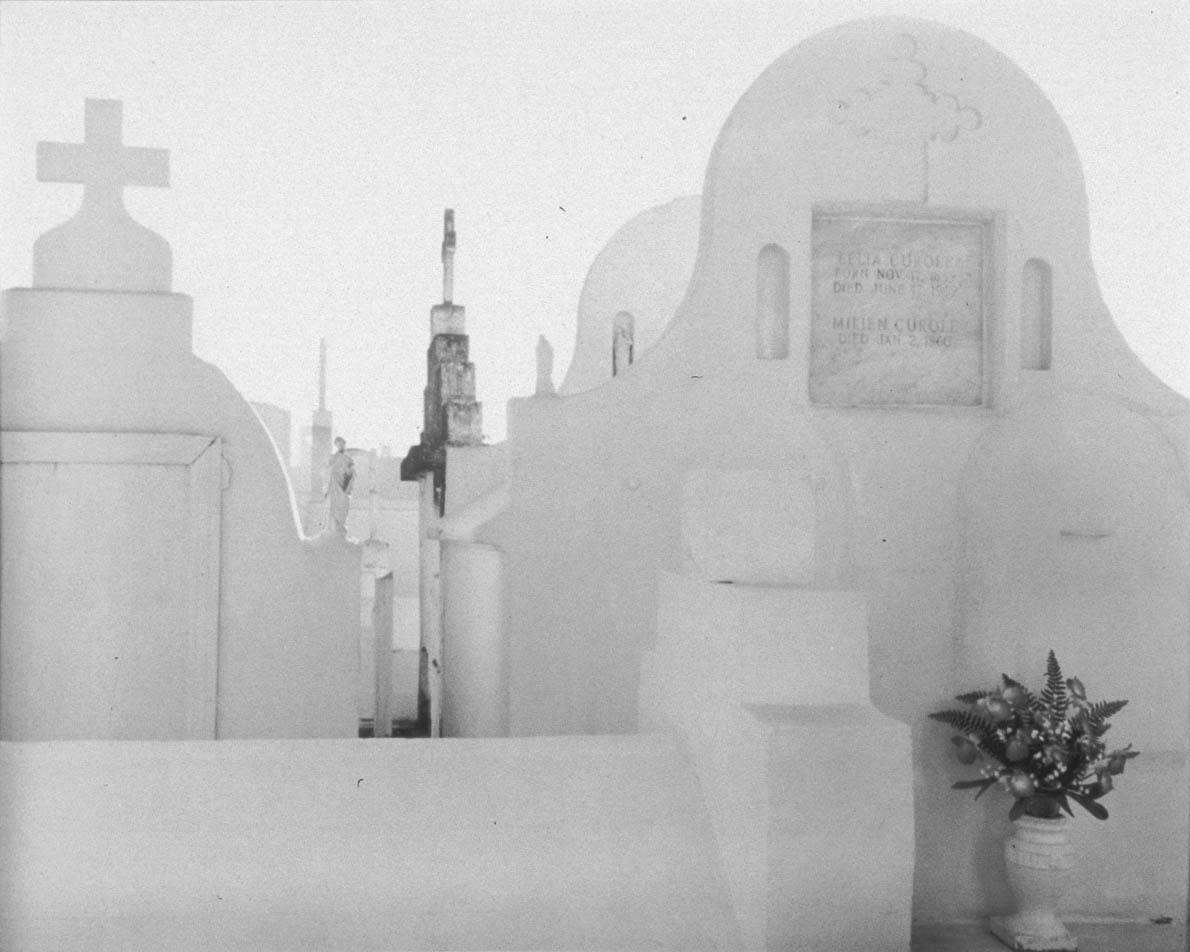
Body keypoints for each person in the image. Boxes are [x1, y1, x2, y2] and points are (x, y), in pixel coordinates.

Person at [325, 436, 355, 534]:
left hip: (343, 488)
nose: (340, 446)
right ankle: (334, 527)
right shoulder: (333, 458)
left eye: (342, 443)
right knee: (333, 508)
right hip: (334, 487)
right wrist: (327, 489)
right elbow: (329, 473)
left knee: (343, 507)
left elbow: (351, 475)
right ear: (336, 445)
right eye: (338, 444)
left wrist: (347, 488)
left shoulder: (348, 459)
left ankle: (340, 526)